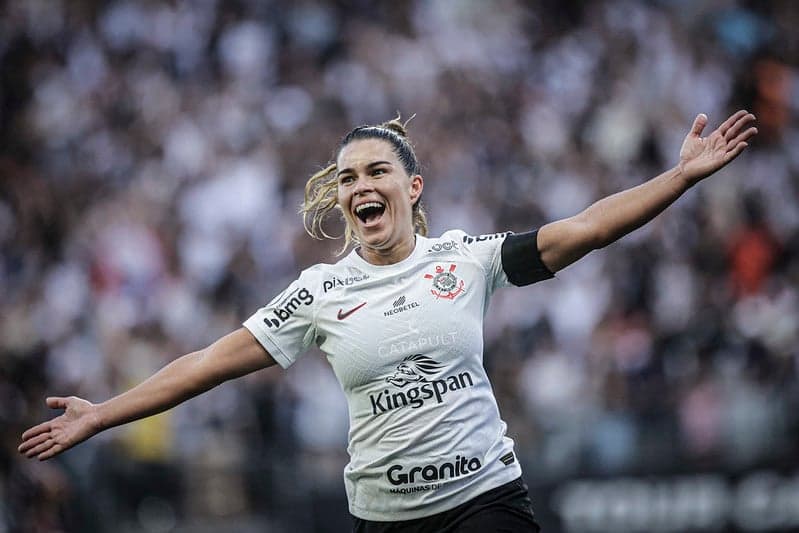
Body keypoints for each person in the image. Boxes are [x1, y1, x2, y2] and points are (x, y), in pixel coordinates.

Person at [19, 110, 757, 532]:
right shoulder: (318, 291)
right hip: (383, 518)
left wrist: (679, 176)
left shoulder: (467, 258)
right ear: (340, 199)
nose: (360, 185)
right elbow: (208, 362)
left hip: (484, 500)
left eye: (375, 171)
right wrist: (102, 413)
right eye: (347, 176)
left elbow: (588, 227)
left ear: (411, 185)